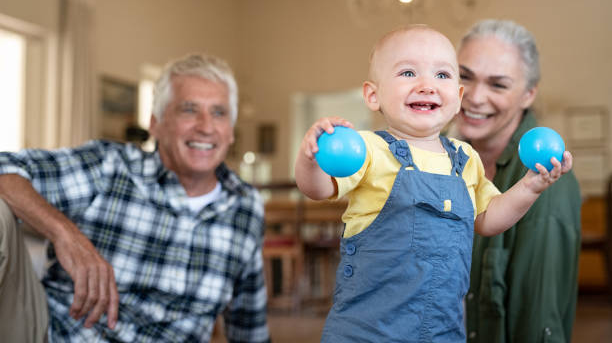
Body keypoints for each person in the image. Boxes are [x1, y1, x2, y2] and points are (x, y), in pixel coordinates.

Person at [294, 24, 573, 342]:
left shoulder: (465, 158)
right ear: (374, 95)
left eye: (442, 75)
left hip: (443, 330)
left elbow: (489, 218)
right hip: (370, 331)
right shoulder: (370, 149)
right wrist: (310, 158)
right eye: (408, 73)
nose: (427, 85)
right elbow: (317, 189)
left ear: (457, 98)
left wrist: (529, 187)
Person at [0, 53, 270, 342]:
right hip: (53, 333)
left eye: (219, 112)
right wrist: (64, 234)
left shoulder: (246, 206)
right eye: (189, 110)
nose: (205, 126)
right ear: (156, 123)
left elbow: (249, 326)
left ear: (230, 132)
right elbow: (5, 168)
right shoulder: (109, 166)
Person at [455, 19, 581, 343]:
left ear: (528, 94)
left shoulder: (547, 181)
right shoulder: (443, 157)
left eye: (498, 85)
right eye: (464, 76)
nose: (474, 96)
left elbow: (537, 323)